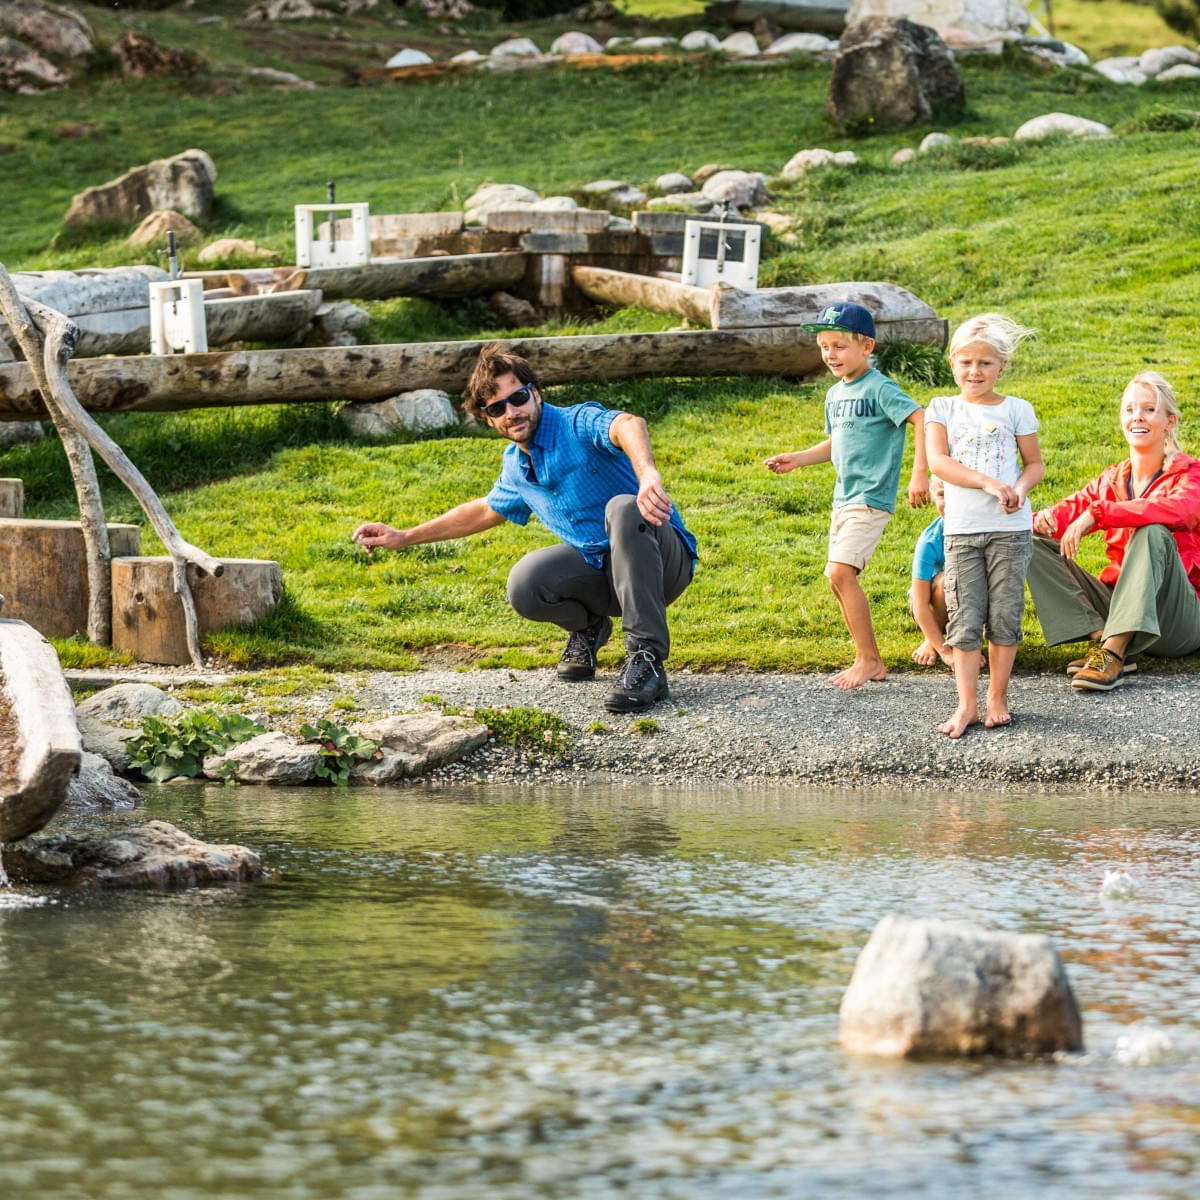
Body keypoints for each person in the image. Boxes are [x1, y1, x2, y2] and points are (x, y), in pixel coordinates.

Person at [351, 344, 698, 712]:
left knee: (624, 508)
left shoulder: (575, 423)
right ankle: (590, 629)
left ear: (534, 392)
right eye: (497, 408)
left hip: (661, 565)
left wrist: (647, 476)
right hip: (608, 576)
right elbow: (485, 510)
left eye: (517, 398)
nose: (511, 412)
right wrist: (404, 536)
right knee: (525, 582)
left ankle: (646, 659)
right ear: (488, 419)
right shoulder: (516, 465)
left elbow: (629, 424)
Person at [765, 300, 930, 689]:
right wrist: (798, 459)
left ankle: (869, 660)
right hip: (843, 499)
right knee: (836, 579)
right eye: (824, 346)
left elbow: (921, 417)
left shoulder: (880, 387)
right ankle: (866, 657)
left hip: (870, 498)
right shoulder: (835, 395)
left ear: (867, 347)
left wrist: (919, 473)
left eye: (839, 346)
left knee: (841, 572)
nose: (830, 354)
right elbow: (835, 444)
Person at [1028, 370, 1200, 691]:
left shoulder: (1190, 474)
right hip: (1120, 607)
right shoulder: (1112, 479)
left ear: (1170, 421)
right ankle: (1102, 638)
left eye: (1149, 409)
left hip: (1177, 621)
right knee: (1031, 541)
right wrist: (1041, 520)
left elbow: (1183, 510)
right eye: (1130, 409)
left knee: (1153, 531)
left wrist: (1100, 514)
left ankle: (1113, 651)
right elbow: (1068, 513)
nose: (1138, 417)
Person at [926, 312, 1043, 738]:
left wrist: (1020, 489)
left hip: (1010, 531)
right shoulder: (941, 408)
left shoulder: (1017, 409)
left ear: (1002, 367)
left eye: (986, 363)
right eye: (966, 362)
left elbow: (1034, 465)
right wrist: (988, 483)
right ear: (953, 362)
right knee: (964, 614)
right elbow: (939, 462)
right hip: (961, 530)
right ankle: (966, 705)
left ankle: (997, 697)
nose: (975, 371)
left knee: (1005, 613)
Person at [909, 476, 952, 667]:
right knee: (946, 580)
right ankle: (933, 639)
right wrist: (946, 653)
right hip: (931, 605)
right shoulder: (930, 540)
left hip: (969, 603)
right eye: (943, 495)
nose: (950, 502)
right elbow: (920, 603)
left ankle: (967, 640)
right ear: (934, 496)